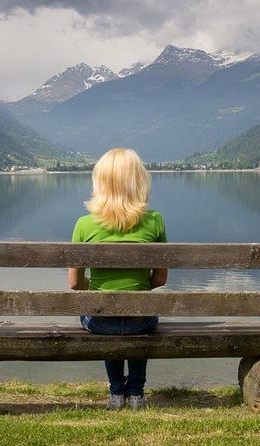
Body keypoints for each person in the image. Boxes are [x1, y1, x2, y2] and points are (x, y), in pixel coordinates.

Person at [68, 147, 168, 410]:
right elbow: (160, 279)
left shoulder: (84, 224)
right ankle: (135, 392)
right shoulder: (155, 221)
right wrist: (138, 286)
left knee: (100, 310)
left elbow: (75, 283)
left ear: (100, 182)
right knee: (141, 311)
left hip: (101, 323)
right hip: (141, 322)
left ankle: (115, 392)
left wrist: (98, 289)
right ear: (138, 181)